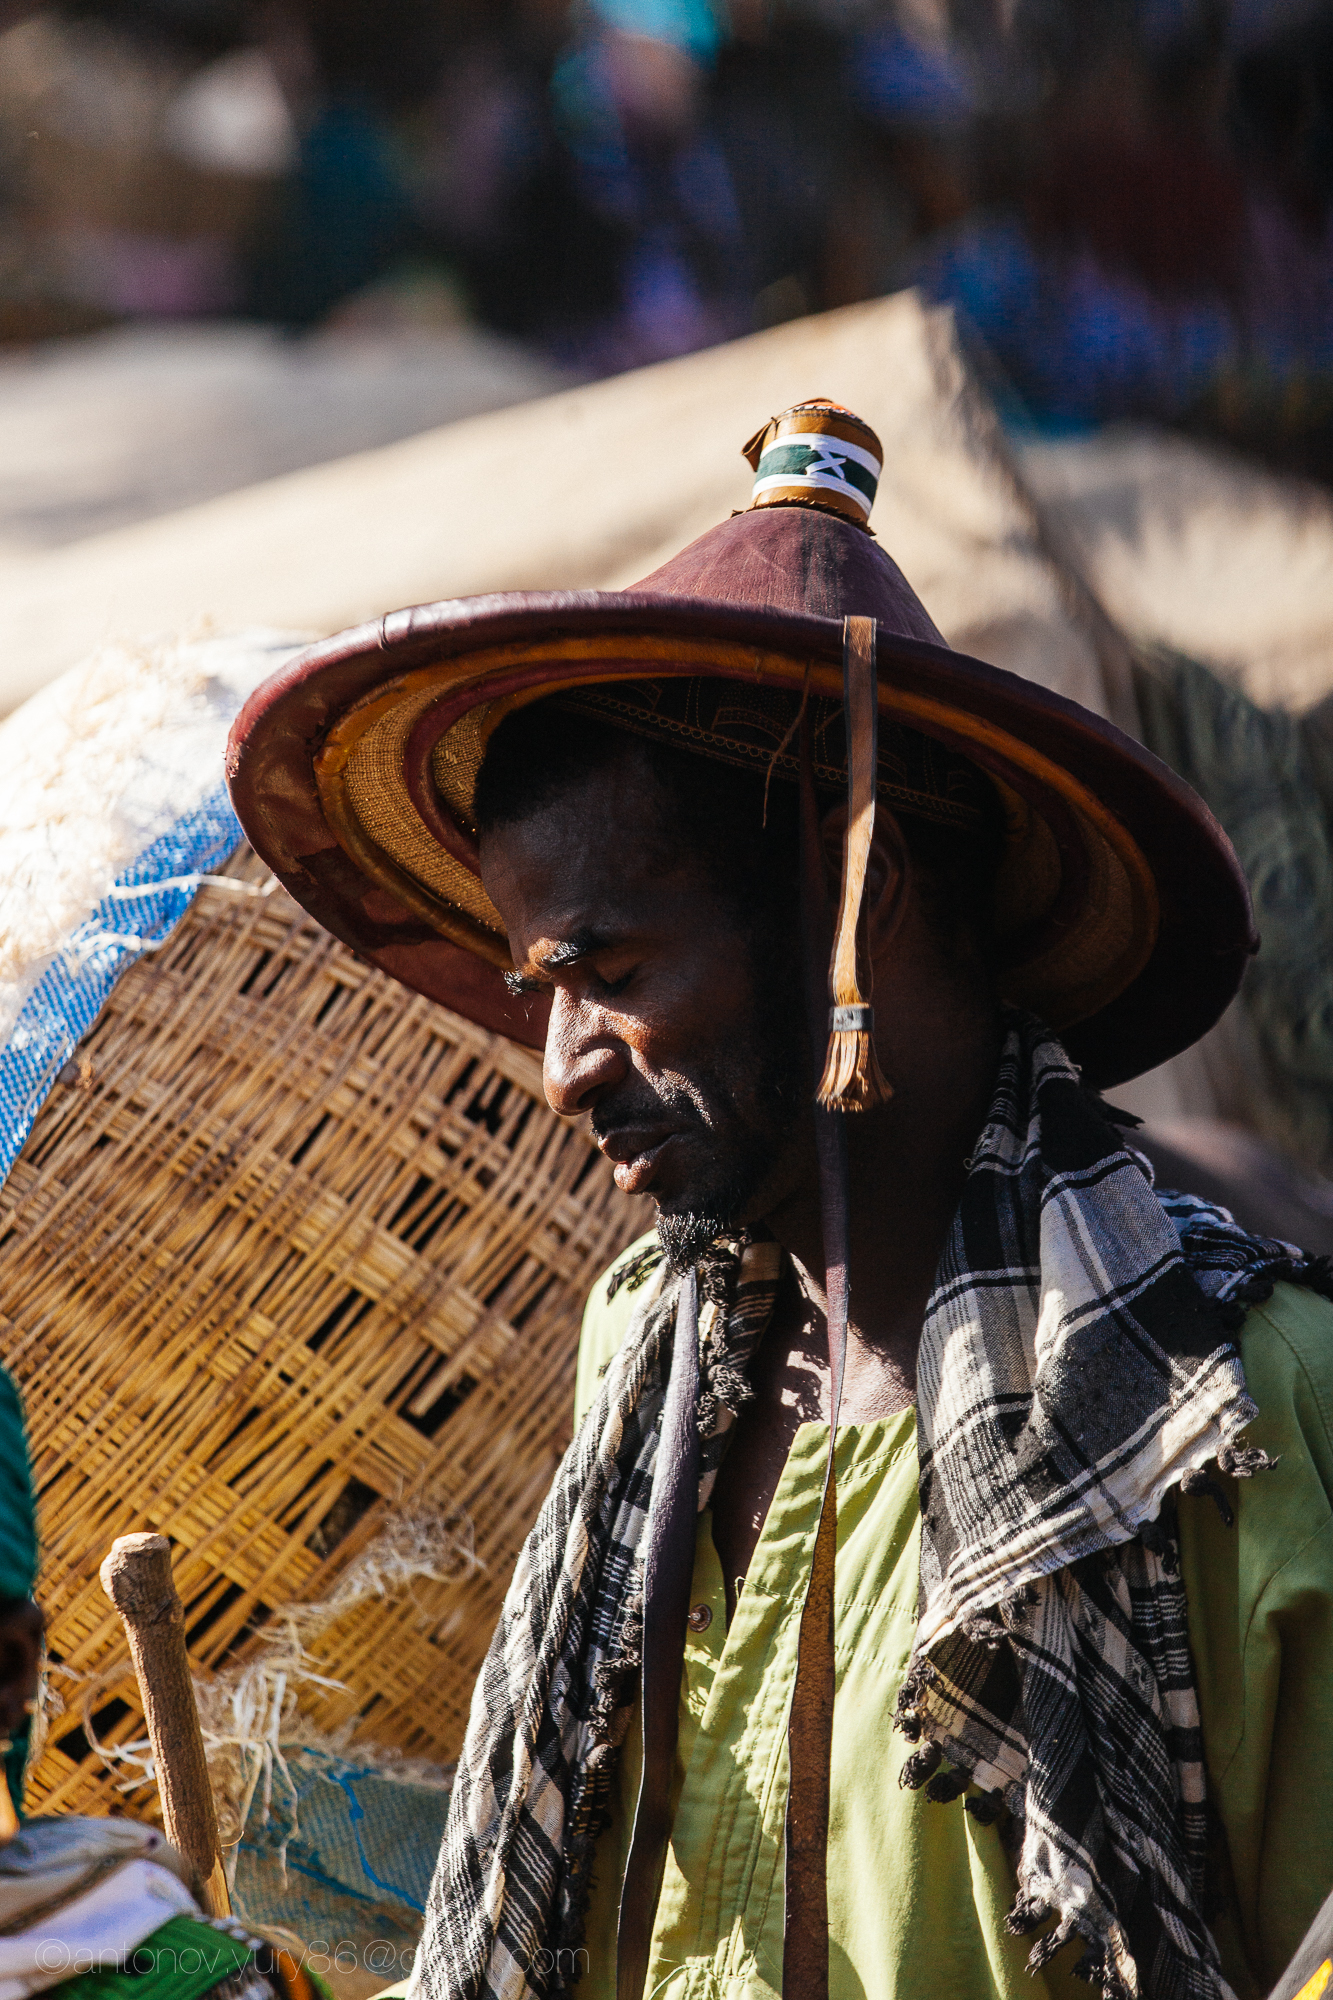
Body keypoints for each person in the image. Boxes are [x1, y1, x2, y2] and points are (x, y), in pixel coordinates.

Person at [227, 400, 1333, 2000]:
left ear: (851, 887)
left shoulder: (1237, 1415)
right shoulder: (647, 1360)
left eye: (605, 973)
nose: (557, 1066)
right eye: (536, 986)